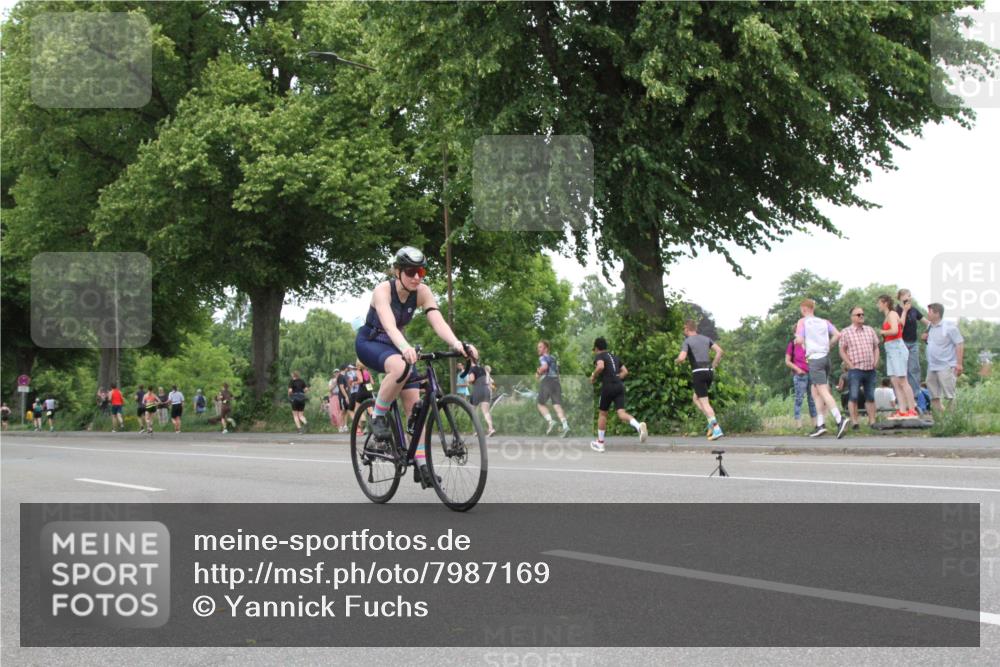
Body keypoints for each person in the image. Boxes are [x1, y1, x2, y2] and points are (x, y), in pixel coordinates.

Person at [354, 246, 477, 488]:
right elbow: (389, 325)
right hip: (371, 342)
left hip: (397, 345)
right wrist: (405, 347)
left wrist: (457, 344)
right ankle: (378, 416)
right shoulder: (383, 290)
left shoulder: (422, 292)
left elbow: (437, 320)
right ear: (397, 271)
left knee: (415, 407)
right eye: (411, 271)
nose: (417, 277)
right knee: (401, 367)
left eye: (420, 271)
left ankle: (421, 464)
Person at [794, 299, 847, 438]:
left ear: (804, 309)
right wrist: (829, 345)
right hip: (825, 358)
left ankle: (839, 419)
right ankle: (820, 425)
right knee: (815, 392)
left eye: (801, 309)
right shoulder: (824, 321)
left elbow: (799, 340)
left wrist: (797, 340)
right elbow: (838, 334)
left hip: (815, 359)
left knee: (823, 391)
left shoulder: (802, 322)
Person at [589, 336, 647, 452]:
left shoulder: (600, 356)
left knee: (603, 414)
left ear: (597, 348)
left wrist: (593, 376)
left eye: (594, 349)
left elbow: (600, 366)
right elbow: (625, 372)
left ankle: (600, 443)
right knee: (621, 413)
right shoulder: (614, 357)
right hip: (619, 385)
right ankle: (638, 426)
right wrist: (616, 379)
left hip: (608, 386)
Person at [677, 320, 725, 440]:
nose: (684, 331)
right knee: (696, 398)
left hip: (698, 373)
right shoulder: (706, 338)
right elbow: (720, 351)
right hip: (709, 372)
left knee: (705, 403)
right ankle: (711, 423)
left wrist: (677, 360)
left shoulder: (687, 341)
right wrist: (713, 365)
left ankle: (716, 429)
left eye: (684, 329)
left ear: (687, 329)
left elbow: (682, 358)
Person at [838, 305, 880, 431]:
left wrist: (876, 360)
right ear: (852, 317)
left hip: (870, 368)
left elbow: (876, 346)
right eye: (858, 315)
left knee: (870, 396)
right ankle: (854, 422)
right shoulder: (846, 332)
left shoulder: (869, 330)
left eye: (862, 314)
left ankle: (872, 421)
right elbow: (842, 350)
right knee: (854, 396)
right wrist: (849, 364)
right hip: (855, 369)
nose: (861, 316)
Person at [877, 295, 918, 419]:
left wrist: (882, 332)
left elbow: (895, 330)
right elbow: (902, 324)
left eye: (879, 303)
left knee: (903, 381)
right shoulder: (890, 316)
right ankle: (902, 410)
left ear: (885, 303)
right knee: (895, 381)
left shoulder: (892, 314)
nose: (877, 305)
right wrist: (905, 311)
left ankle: (912, 410)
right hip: (890, 348)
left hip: (897, 348)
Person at [923, 302, 965, 412]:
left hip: (946, 365)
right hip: (932, 366)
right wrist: (925, 339)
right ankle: (941, 419)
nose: (928, 314)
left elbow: (959, 343)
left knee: (950, 394)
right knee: (933, 394)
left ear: (937, 313)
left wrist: (959, 364)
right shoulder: (929, 326)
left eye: (930, 311)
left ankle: (953, 419)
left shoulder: (949, 327)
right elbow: (932, 342)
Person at [535, 340, 570, 437]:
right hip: (556, 382)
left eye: (540, 347)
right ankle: (565, 426)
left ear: (546, 348)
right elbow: (558, 372)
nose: (538, 349)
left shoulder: (543, 357)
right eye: (538, 347)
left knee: (540, 404)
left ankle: (550, 421)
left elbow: (545, 367)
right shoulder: (554, 358)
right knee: (557, 405)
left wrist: (538, 373)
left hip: (547, 381)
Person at [895, 289, 924, 401]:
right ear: (901, 297)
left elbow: (926, 322)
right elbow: (900, 325)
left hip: (913, 343)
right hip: (901, 343)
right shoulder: (896, 311)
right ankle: (901, 398)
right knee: (902, 371)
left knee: (914, 369)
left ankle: (915, 396)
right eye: (908, 295)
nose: (910, 298)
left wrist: (928, 331)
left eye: (910, 295)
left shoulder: (914, 310)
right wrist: (905, 310)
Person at [784, 336, 817, 430]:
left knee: (812, 400)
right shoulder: (792, 345)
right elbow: (787, 361)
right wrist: (798, 370)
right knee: (799, 399)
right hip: (800, 375)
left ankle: (815, 424)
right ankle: (799, 425)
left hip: (811, 374)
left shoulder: (809, 343)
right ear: (795, 333)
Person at [466, 359, 496, 437]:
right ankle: (491, 429)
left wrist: (468, 381)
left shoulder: (472, 369)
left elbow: (472, 379)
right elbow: (489, 380)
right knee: (486, 412)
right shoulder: (483, 369)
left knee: (472, 411)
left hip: (478, 390)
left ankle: (477, 431)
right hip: (486, 390)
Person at [337, 365, 352, 432]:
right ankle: (340, 426)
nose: (347, 369)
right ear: (345, 368)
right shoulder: (340, 376)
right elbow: (341, 387)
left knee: (346, 411)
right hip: (342, 396)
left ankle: (345, 425)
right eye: (347, 368)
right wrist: (346, 396)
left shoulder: (345, 376)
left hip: (347, 396)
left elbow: (347, 386)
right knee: (342, 411)